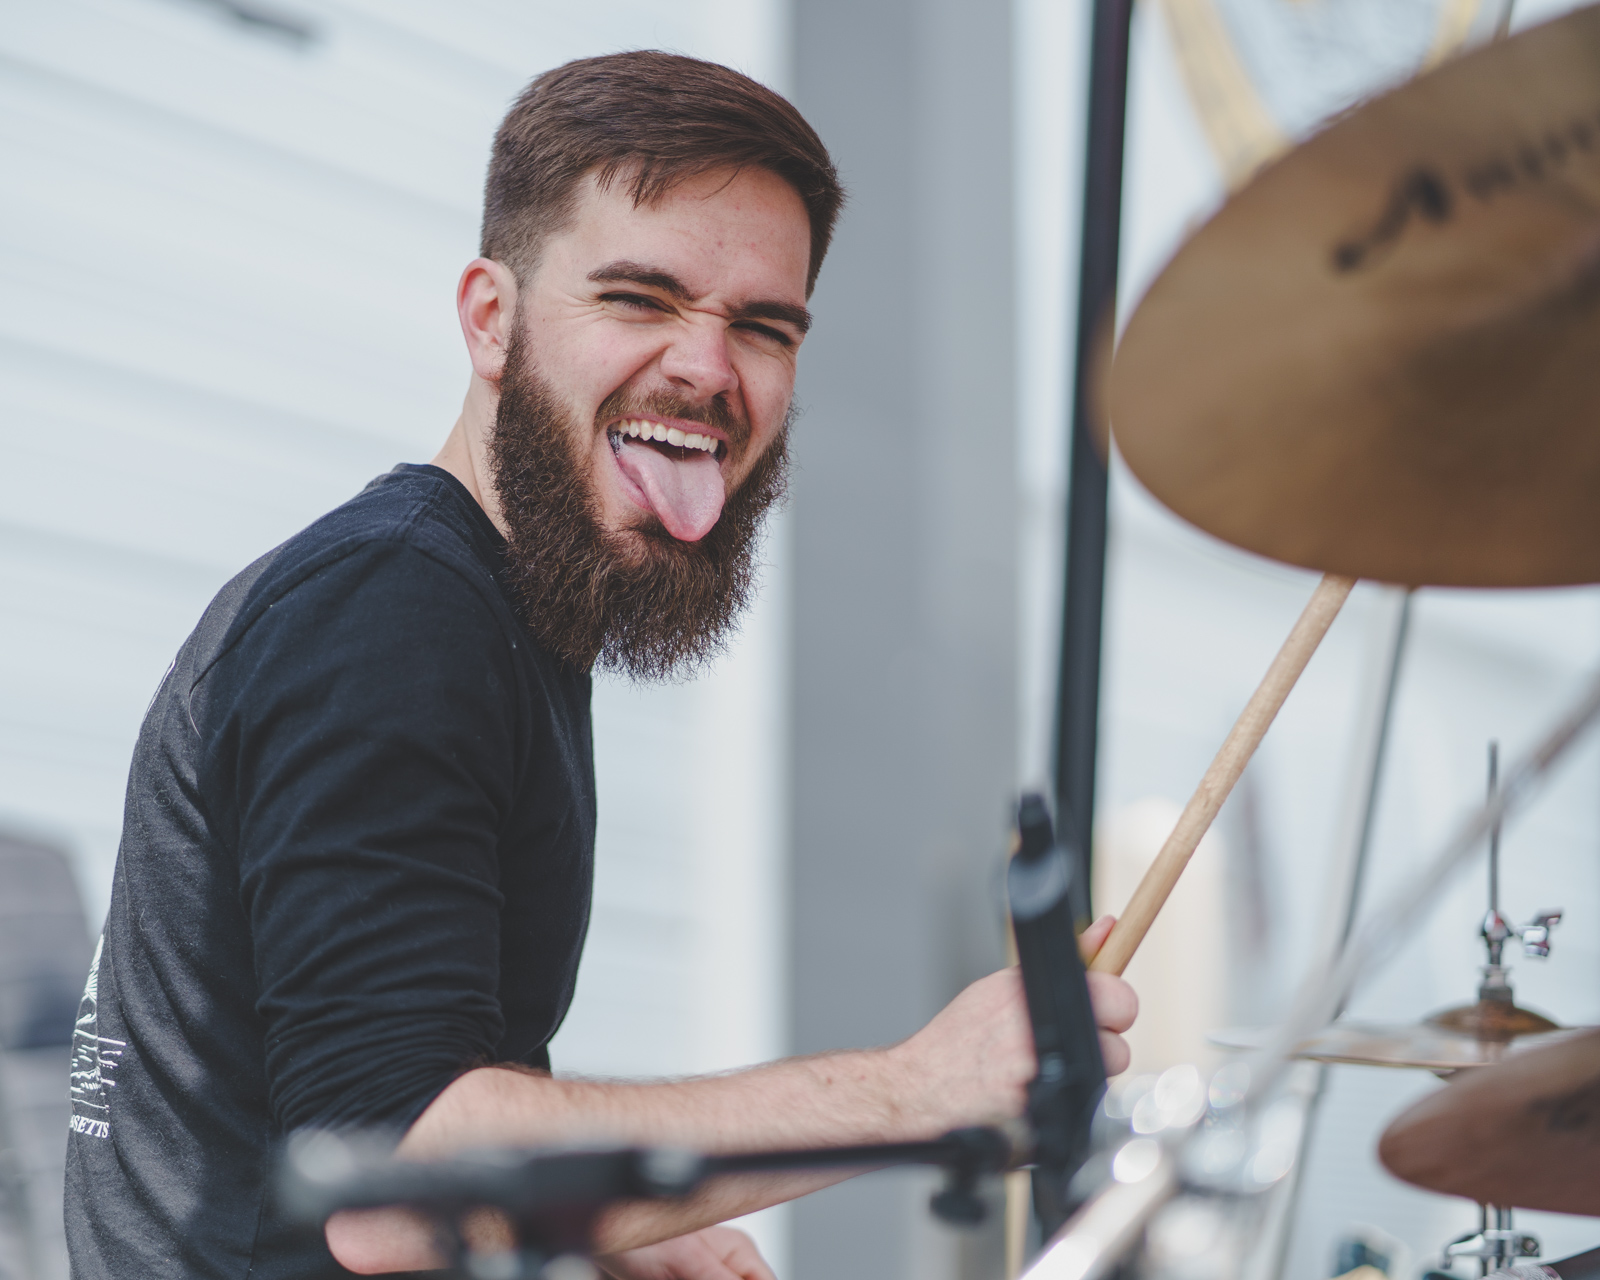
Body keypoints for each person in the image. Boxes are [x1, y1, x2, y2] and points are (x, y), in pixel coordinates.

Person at [63, 50, 1137, 1280]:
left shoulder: (498, 604)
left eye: (763, 325)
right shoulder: (391, 618)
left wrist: (602, 1230)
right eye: (639, 297)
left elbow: (380, 1080)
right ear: (491, 318)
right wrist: (908, 1089)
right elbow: (397, 1186)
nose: (708, 368)